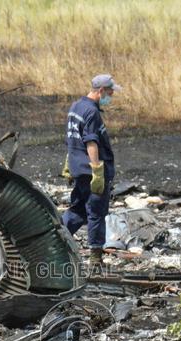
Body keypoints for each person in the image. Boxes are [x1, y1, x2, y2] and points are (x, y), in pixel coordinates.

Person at [62, 73, 121, 267]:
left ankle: (54, 241)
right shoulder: (91, 112)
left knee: (78, 210)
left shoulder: (75, 107)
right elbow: (91, 142)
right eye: (110, 92)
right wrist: (97, 170)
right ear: (101, 90)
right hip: (90, 171)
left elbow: (72, 138)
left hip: (78, 168)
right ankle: (96, 258)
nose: (111, 96)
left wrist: (69, 163)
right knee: (96, 212)